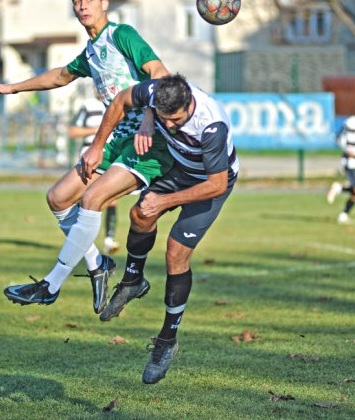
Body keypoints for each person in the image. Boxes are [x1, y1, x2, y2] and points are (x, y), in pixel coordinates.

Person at [0, 0, 173, 314]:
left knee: (91, 199)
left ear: (104, 3)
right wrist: (12, 88)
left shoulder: (122, 35)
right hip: (116, 135)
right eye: (77, 1)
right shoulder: (91, 50)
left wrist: (148, 117)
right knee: (57, 198)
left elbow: (159, 71)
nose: (83, 6)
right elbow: (59, 75)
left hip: (148, 137)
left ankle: (50, 285)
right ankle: (98, 264)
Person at [82, 73, 239, 384]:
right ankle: (132, 281)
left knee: (175, 253)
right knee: (140, 213)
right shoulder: (159, 92)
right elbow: (122, 100)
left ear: (189, 105)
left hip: (210, 184)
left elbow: (216, 183)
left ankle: (167, 340)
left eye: (176, 121)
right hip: (182, 169)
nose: (170, 126)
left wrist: (165, 199)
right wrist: (103, 143)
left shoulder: (212, 125)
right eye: (165, 119)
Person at [69, 94, 120, 255]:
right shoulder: (88, 104)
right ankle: (79, 238)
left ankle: (108, 240)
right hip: (89, 155)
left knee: (111, 199)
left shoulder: (117, 102)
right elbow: (73, 131)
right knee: (85, 198)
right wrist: (99, 131)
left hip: (110, 155)